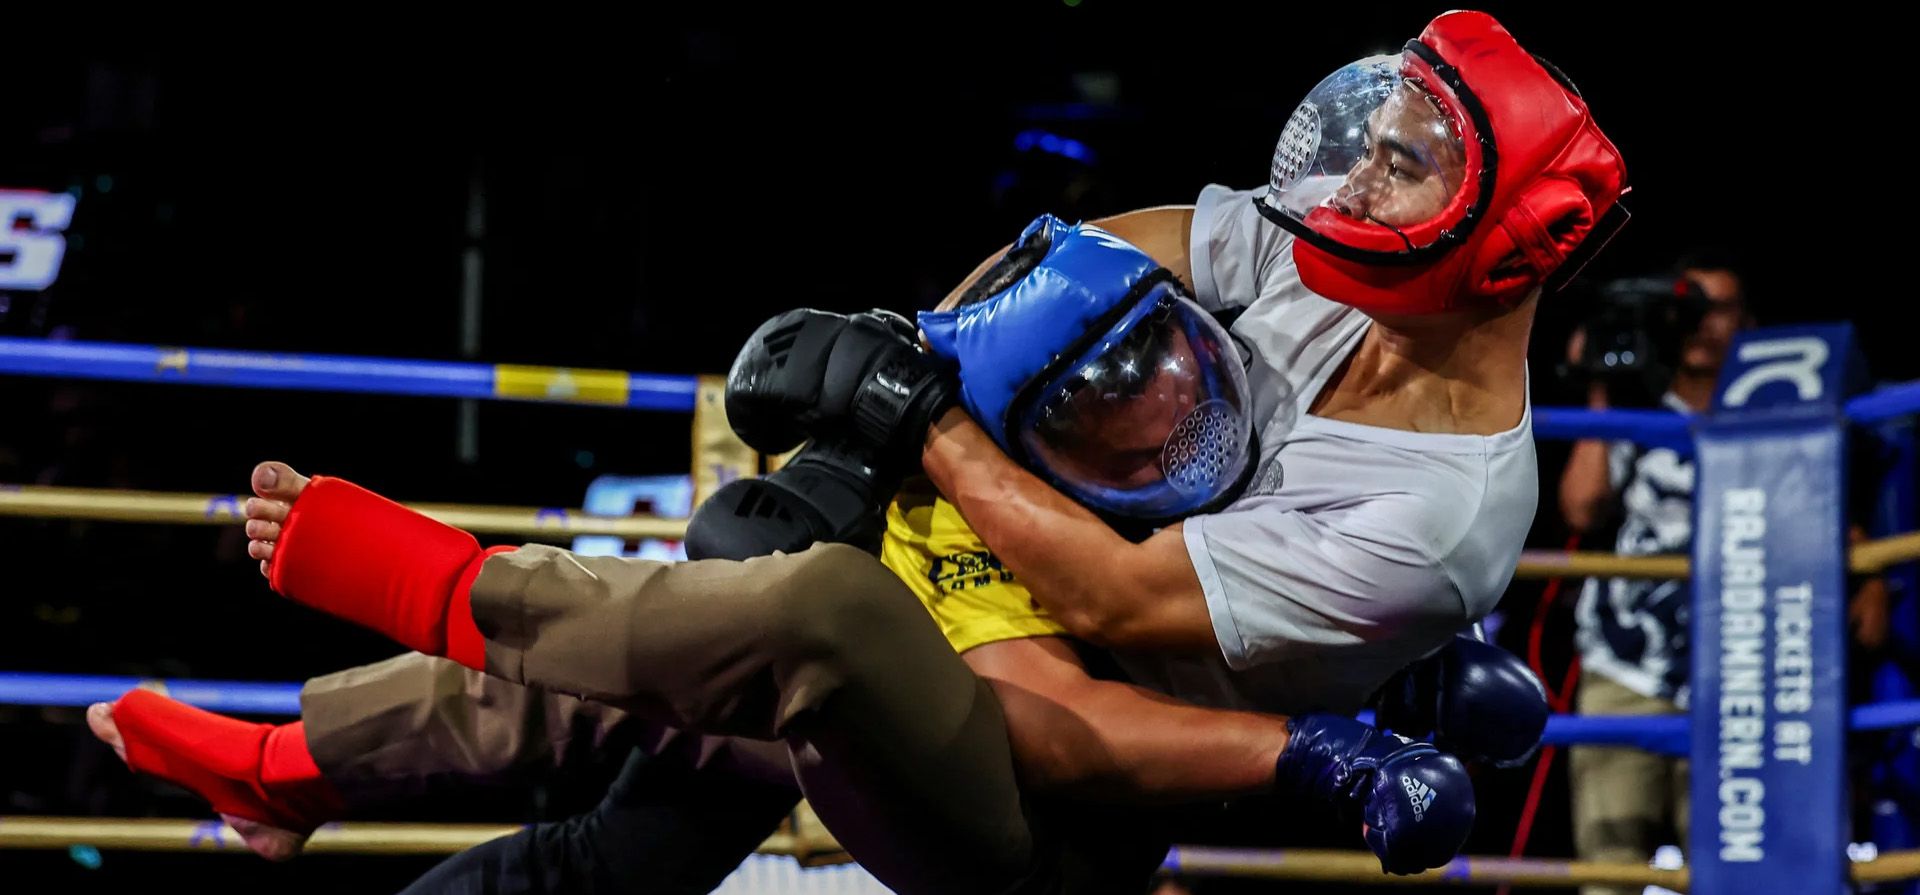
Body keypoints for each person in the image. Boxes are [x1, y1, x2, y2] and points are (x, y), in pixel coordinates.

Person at [89, 9, 1611, 892]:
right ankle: (294, 768)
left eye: (1404, 161)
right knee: (643, 773)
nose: (1357, 171)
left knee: (817, 610)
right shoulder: (1318, 253)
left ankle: (439, 583)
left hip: (1049, 811)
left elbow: (1121, 612)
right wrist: (901, 360)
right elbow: (1070, 259)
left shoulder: (1429, 505)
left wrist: (920, 423)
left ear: (1500, 240)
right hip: (988, 646)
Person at [1557, 250, 1890, 895]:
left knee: (1738, 875)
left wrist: (1868, 573)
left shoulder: (1789, 423)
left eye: (1721, 308)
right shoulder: (1640, 416)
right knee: (1608, 874)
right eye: (1690, 307)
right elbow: (1581, 505)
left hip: (1745, 685)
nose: (1705, 324)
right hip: (1626, 670)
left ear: (1750, 321)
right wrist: (1599, 389)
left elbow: (1836, 534)